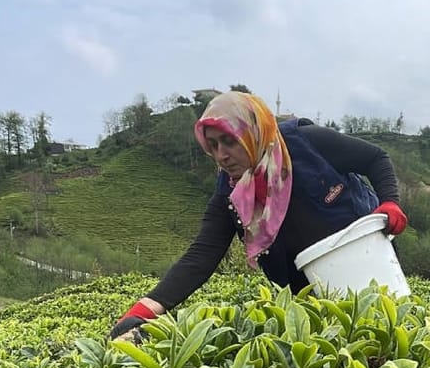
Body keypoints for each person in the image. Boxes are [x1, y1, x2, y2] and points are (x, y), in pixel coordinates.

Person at [110, 91, 408, 340]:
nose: (221, 155)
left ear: (251, 131)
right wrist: (144, 310)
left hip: (366, 257)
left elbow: (374, 158)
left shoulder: (306, 144)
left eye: (228, 141)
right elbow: (201, 256)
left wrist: (390, 203)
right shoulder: (231, 194)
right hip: (306, 286)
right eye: (212, 146)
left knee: (390, 328)